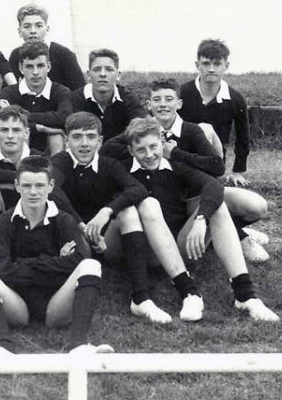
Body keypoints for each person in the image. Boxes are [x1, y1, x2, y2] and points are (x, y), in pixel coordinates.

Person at [52, 112, 203, 323]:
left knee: (137, 207)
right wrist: (81, 224)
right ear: (67, 140)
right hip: (77, 239)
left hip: (108, 242)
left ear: (100, 140)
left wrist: (106, 212)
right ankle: (145, 296)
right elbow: (53, 190)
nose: (84, 144)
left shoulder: (109, 164)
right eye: (77, 137)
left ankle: (147, 297)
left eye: (90, 136)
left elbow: (137, 189)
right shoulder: (60, 161)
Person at [123, 117, 279, 322]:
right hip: (145, 250)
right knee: (148, 203)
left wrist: (201, 219)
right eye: (141, 150)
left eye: (154, 146)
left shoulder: (175, 165)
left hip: (179, 246)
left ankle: (245, 295)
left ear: (163, 142)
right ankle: (188, 291)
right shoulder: (122, 169)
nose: (150, 154)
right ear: (131, 151)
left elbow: (213, 186)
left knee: (217, 206)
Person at [102, 78, 270, 262]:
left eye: (169, 99)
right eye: (157, 100)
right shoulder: (142, 132)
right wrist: (147, 150)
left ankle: (235, 232)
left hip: (193, 197)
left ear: (179, 103)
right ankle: (233, 236)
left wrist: (175, 152)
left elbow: (217, 166)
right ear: (149, 105)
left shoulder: (190, 130)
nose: (163, 104)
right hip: (165, 202)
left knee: (257, 206)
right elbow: (106, 150)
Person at [0, 155, 113, 356]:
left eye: (39, 185)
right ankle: (3, 346)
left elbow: (78, 261)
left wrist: (22, 264)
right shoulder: (3, 223)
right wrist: (56, 262)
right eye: (26, 185)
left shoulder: (64, 221)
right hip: (17, 304)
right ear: (16, 186)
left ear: (51, 186)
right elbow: (1, 269)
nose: (33, 192)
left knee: (90, 266)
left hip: (56, 305)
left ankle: (78, 345)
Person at [0, 105, 81, 257]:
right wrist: (21, 179)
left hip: (32, 228)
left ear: (26, 133)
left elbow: (56, 193)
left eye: (16, 130)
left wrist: (79, 223)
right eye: (4, 130)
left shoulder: (40, 159)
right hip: (0, 228)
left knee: (43, 191)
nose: (10, 136)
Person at [178, 39, 251, 187]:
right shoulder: (182, 92)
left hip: (213, 159)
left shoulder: (235, 99)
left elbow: (243, 136)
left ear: (226, 66)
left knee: (206, 129)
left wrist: (238, 171)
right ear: (197, 65)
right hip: (182, 155)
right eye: (206, 64)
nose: (211, 69)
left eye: (217, 64)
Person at [0, 41, 71, 154]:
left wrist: (24, 116)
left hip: (51, 146)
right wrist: (40, 127)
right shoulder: (9, 92)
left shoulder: (61, 91)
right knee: (20, 132)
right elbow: (0, 121)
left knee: (56, 135)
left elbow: (66, 118)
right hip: (18, 146)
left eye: (40, 65)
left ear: (48, 66)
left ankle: (57, 169)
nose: (35, 72)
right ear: (21, 68)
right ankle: (20, 169)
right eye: (29, 66)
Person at [70, 49, 146, 141]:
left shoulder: (128, 99)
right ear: (89, 75)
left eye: (109, 69)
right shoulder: (75, 98)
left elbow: (140, 128)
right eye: (97, 69)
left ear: (118, 75)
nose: (102, 74)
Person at [7, 4, 84, 92]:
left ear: (47, 29)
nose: (33, 31)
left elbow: (80, 92)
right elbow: (6, 92)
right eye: (27, 26)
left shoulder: (64, 54)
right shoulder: (16, 55)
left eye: (38, 26)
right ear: (20, 31)